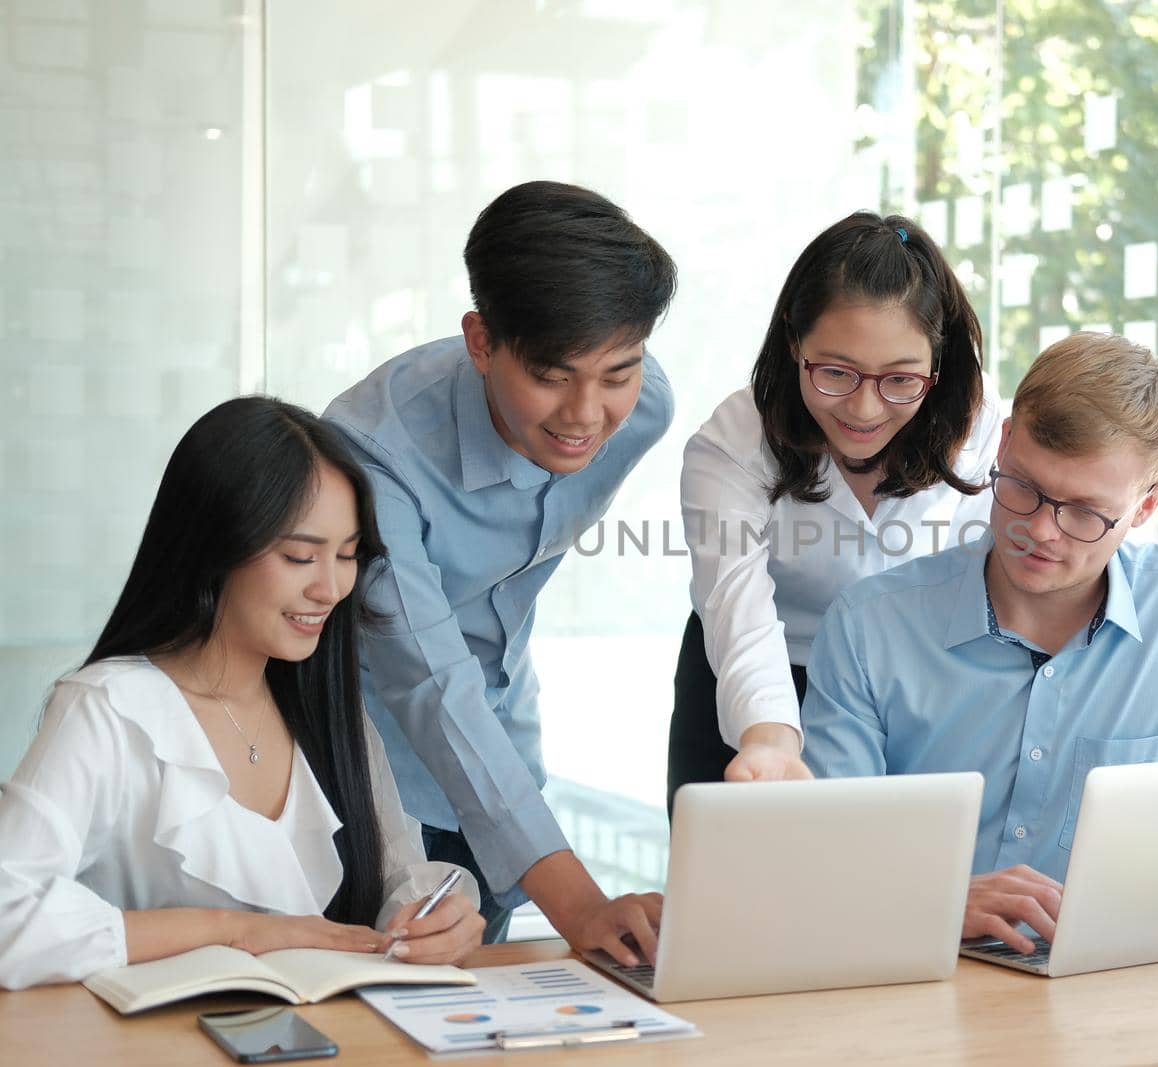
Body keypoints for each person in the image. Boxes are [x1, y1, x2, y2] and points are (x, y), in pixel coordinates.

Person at [800, 332, 1158, 954]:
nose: (1040, 530)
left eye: (1084, 512)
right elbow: (823, 866)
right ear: (1004, 442)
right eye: (1023, 486)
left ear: (1147, 505)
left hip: (1116, 986)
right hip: (917, 975)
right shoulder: (869, 626)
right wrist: (936, 902)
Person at [0, 397, 483, 990]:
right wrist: (233, 931)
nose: (330, 587)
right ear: (214, 546)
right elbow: (8, 912)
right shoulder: (108, 709)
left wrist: (439, 917)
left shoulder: (326, 707)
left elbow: (400, 875)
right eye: (299, 556)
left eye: (349, 555)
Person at [323, 181, 674, 960]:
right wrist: (581, 905)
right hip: (368, 769)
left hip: (507, 743)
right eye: (552, 375)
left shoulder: (643, 410)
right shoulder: (372, 454)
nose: (586, 414)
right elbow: (426, 677)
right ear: (481, 341)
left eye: (617, 371)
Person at [668, 212, 1002, 806]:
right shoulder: (733, 443)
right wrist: (769, 737)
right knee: (735, 885)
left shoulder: (978, 428)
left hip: (911, 678)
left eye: (900, 379)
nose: (866, 409)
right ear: (794, 341)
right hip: (761, 670)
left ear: (937, 364)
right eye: (835, 372)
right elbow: (735, 605)